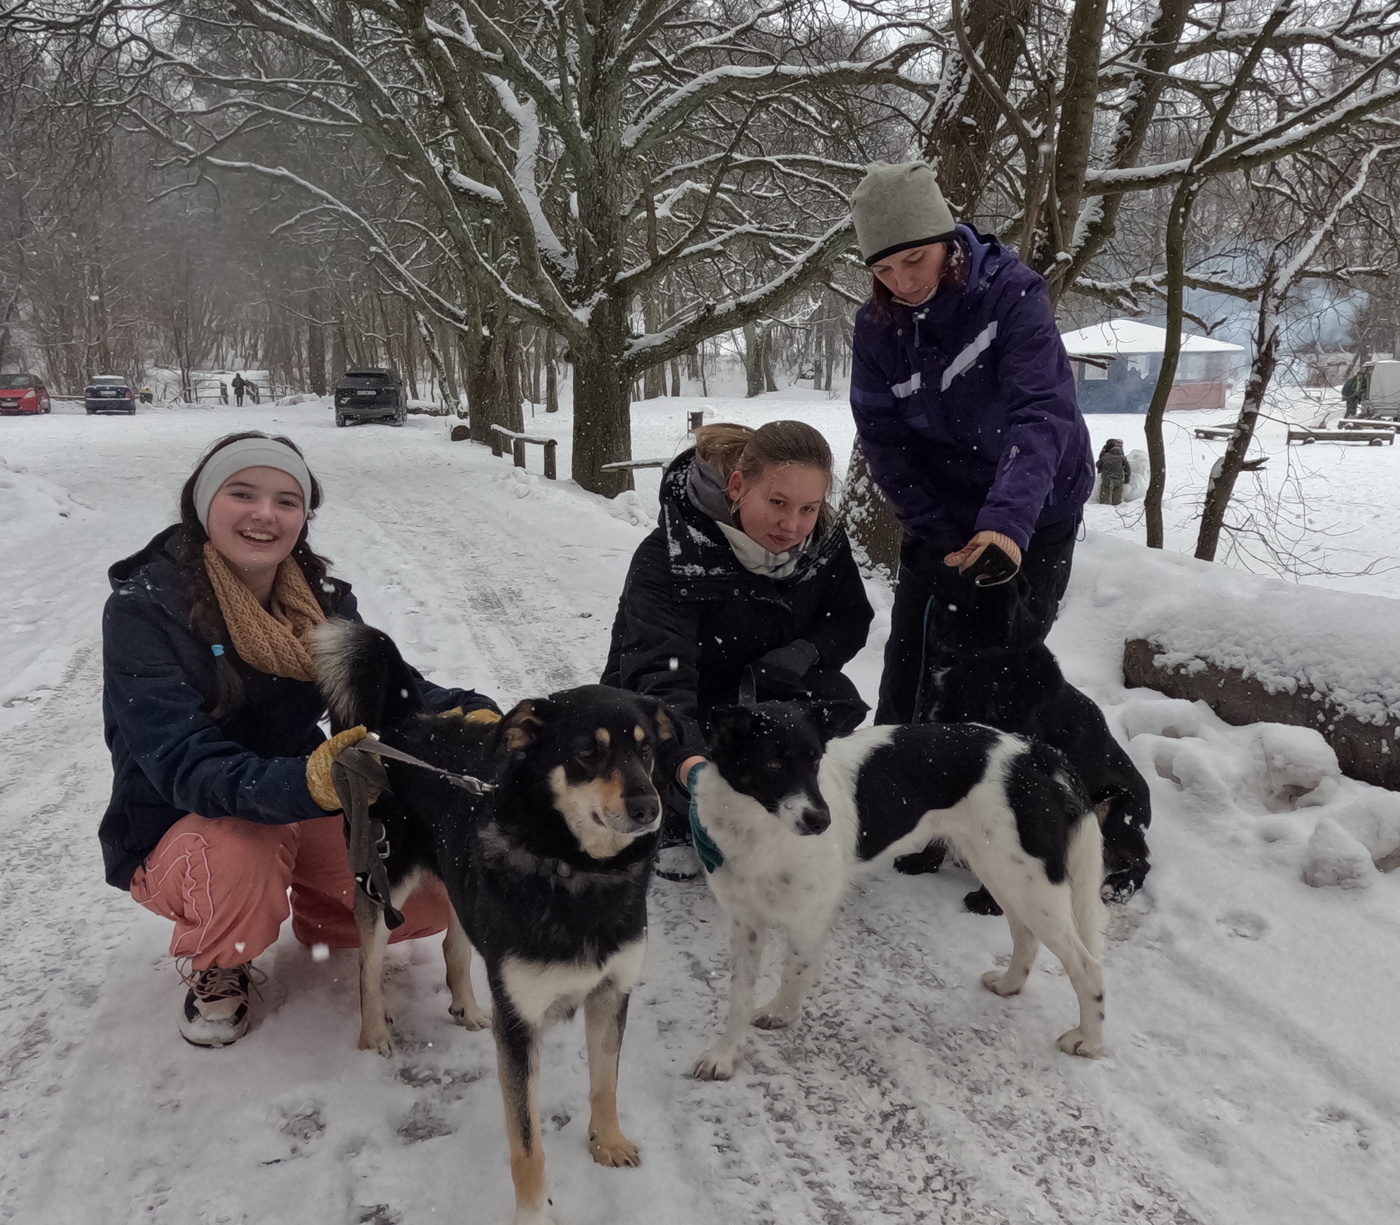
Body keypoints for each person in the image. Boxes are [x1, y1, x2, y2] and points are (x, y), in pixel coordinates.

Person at [100, 431, 499, 1047]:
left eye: (287, 501)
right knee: (241, 852)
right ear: (203, 504)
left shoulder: (321, 604)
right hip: (182, 817)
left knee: (417, 895)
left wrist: (475, 715)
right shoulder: (145, 609)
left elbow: (391, 690)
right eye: (242, 494)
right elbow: (181, 760)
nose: (265, 514)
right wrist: (308, 781)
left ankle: (320, 917)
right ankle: (222, 957)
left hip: (295, 793)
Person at [847, 160, 1094, 727]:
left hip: (1035, 508)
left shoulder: (1012, 295)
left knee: (999, 667)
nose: (903, 281)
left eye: (915, 258)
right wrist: (934, 531)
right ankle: (896, 768)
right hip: (943, 510)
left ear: (945, 240)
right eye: (883, 268)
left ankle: (998, 770)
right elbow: (884, 441)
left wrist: (1006, 524)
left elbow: (1042, 411)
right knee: (910, 665)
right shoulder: (876, 329)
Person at [602, 421, 873, 879]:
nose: (792, 525)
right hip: (688, 689)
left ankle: (786, 794)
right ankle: (676, 819)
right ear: (737, 487)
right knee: (660, 733)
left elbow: (849, 618)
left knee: (833, 694)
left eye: (808, 508)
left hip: (769, 683)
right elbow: (660, 671)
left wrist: (803, 653)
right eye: (778, 503)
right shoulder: (670, 555)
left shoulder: (824, 542)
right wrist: (691, 770)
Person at [1096, 438, 1130, 506]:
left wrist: (1102, 468)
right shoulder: (1121, 457)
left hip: (1106, 475)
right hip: (1118, 475)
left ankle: (1104, 502)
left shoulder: (1106, 455)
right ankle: (1116, 502)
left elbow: (1097, 464)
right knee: (1118, 488)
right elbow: (1127, 468)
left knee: (1105, 487)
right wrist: (1127, 478)